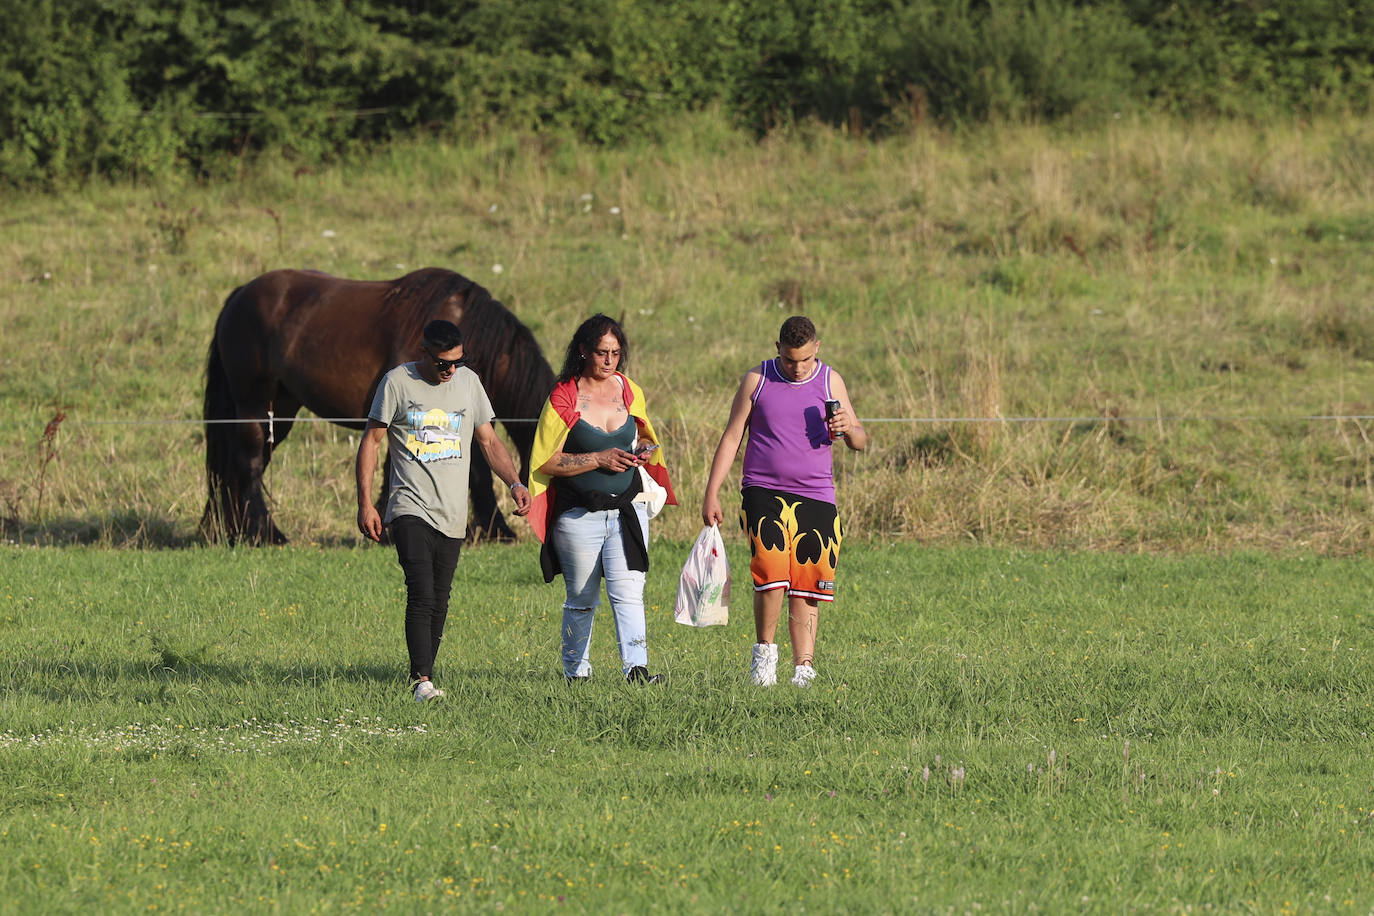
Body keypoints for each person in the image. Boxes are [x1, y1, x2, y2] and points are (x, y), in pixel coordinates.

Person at [355, 319, 532, 702]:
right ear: (425, 352)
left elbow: (488, 441)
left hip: (453, 513)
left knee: (440, 596)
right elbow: (371, 441)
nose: (450, 370)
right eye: (443, 364)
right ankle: (422, 681)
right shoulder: (398, 382)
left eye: (457, 362)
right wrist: (366, 502)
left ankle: (422, 675)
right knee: (421, 591)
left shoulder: (468, 382)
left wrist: (515, 483)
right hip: (409, 506)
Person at [702, 315, 867, 687]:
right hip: (762, 490)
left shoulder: (830, 380)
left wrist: (848, 429)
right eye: (790, 360)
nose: (797, 368)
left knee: (809, 580)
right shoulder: (757, 380)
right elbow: (731, 438)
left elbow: (860, 440)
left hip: (817, 495)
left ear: (817, 349)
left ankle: (804, 668)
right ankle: (764, 656)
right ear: (777, 349)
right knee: (771, 569)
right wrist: (711, 492)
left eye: (805, 360)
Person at [527, 314, 676, 684]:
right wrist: (597, 458)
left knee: (629, 593)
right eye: (601, 352)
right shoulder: (564, 395)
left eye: (615, 353)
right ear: (583, 351)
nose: (609, 360)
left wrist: (642, 449)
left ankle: (637, 670)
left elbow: (639, 435)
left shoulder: (629, 389)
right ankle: (575, 674)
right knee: (581, 598)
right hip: (579, 514)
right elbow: (547, 459)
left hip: (627, 508)